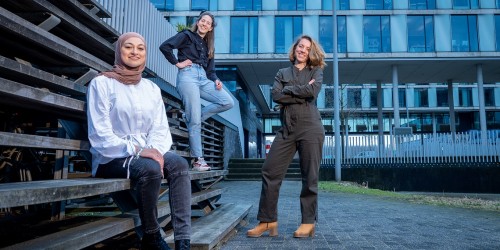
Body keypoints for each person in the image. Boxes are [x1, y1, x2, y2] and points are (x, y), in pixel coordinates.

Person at [87, 32, 191, 250]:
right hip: (112, 155)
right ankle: (152, 237)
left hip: (146, 153)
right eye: (129, 47)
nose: (135, 52)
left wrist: (154, 151)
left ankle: (183, 241)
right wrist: (139, 150)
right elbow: (100, 135)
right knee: (150, 168)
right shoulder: (101, 83)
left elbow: (160, 128)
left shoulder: (151, 88)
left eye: (141, 48)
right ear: (119, 51)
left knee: (180, 164)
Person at [247, 35, 326, 239]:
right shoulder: (282, 72)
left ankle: (308, 223)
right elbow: (275, 95)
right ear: (295, 48)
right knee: (269, 170)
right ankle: (268, 221)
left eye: (307, 48)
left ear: (311, 53)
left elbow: (312, 91)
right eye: (301, 46)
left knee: (310, 176)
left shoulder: (316, 71)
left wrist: (289, 90)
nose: (303, 50)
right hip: (287, 128)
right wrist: (299, 91)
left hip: (311, 127)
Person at [159, 11, 234, 172]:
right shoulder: (186, 35)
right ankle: (198, 160)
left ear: (210, 28)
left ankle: (192, 116)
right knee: (195, 122)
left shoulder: (209, 46)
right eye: (203, 21)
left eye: (208, 23)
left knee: (227, 101)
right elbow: (165, 47)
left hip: (204, 79)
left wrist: (216, 80)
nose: (205, 24)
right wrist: (177, 63)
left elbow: (211, 71)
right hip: (188, 77)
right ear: (198, 22)